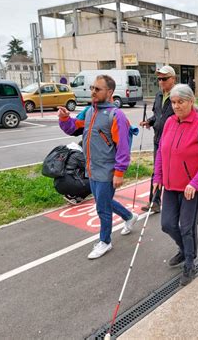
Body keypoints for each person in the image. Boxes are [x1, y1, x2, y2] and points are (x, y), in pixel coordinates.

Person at [58, 75, 138, 259]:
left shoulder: (116, 115)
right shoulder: (88, 111)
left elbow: (123, 148)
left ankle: (105, 242)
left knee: (102, 207)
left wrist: (119, 173)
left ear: (109, 92)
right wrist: (64, 118)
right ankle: (128, 216)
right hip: (90, 167)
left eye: (97, 89)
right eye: (92, 88)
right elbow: (72, 128)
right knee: (103, 201)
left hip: (106, 170)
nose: (92, 91)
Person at [153, 84, 198, 286]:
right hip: (171, 185)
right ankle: (185, 249)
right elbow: (162, 152)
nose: (176, 106)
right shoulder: (170, 122)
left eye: (180, 102)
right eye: (173, 102)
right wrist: (157, 177)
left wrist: (195, 182)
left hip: (191, 187)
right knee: (167, 224)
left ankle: (189, 263)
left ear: (191, 101)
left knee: (187, 227)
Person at [139, 65, 176, 213]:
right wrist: (149, 121)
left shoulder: (178, 95)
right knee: (157, 171)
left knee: (173, 171)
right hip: (158, 139)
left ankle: (176, 201)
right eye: (159, 79)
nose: (161, 82)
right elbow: (158, 115)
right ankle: (154, 202)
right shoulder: (158, 95)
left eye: (164, 79)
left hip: (173, 141)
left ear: (173, 79)